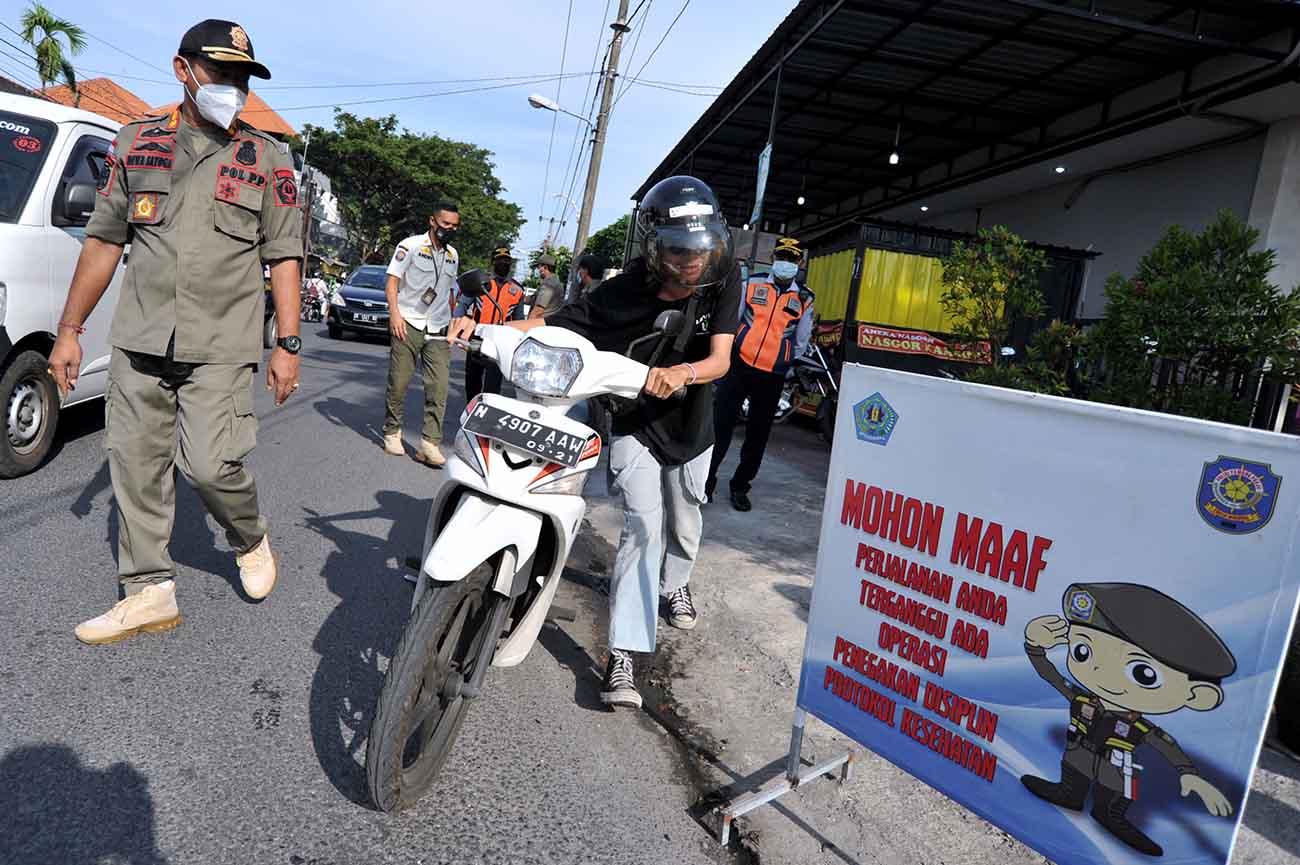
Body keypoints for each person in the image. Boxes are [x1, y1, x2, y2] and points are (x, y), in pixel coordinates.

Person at [46, 19, 303, 645]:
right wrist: (69, 330)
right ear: (182, 69)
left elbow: (284, 255)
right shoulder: (137, 143)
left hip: (222, 341)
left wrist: (287, 344)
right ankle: (148, 590)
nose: (233, 88)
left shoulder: (267, 159)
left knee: (212, 465)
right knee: (135, 463)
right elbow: (105, 241)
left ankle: (249, 534)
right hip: (141, 338)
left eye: (242, 77)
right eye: (221, 73)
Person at [450, 176, 740, 710]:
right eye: (679, 251)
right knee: (642, 528)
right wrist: (485, 327)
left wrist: (682, 373)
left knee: (685, 520)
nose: (692, 262)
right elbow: (551, 322)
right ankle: (624, 653)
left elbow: (721, 359)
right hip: (634, 421)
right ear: (654, 249)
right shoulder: (617, 293)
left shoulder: (724, 281)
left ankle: (676, 582)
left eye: (700, 250)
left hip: (694, 421)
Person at [1021, 582, 1237, 857]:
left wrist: (1189, 774)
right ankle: (1068, 795)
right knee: (1073, 776)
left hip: (1115, 767)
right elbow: (1050, 675)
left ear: (1197, 695)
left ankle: (1110, 816)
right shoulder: (1083, 700)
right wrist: (1034, 647)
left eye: (1144, 673)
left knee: (1112, 800)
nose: (1100, 671)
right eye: (1083, 651)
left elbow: (1165, 745)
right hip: (1079, 755)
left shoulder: (1139, 725)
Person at [706, 236, 815, 512]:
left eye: (791, 259)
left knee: (758, 435)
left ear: (799, 263)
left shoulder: (804, 298)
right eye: (782, 257)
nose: (785, 263)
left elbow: (801, 341)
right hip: (739, 366)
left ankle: (740, 487)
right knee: (720, 426)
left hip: (772, 375)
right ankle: (706, 482)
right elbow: (733, 320)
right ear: (773, 259)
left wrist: (784, 361)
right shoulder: (751, 284)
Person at [382, 201, 461, 467]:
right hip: (408, 321)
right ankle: (392, 431)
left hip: (438, 326)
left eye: (454, 226)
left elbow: (450, 292)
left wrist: (451, 323)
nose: (448, 229)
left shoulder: (453, 255)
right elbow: (392, 281)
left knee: (438, 386)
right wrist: (395, 315)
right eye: (444, 224)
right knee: (400, 381)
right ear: (432, 221)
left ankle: (429, 443)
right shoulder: (410, 245)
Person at [454, 244, 525, 399]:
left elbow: (519, 320)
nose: (503, 264)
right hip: (477, 339)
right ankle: (471, 410)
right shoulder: (480, 283)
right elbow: (463, 305)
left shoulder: (517, 290)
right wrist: (457, 328)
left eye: (506, 261)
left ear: (510, 264)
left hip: (500, 343)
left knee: (492, 388)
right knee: (472, 381)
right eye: (500, 260)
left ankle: (486, 416)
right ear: (493, 262)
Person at [528, 253, 565, 319]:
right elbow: (533, 299)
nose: (538, 270)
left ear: (545, 267)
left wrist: (526, 326)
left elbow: (538, 311)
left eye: (539, 267)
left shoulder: (549, 284)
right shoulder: (556, 282)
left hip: (539, 325)